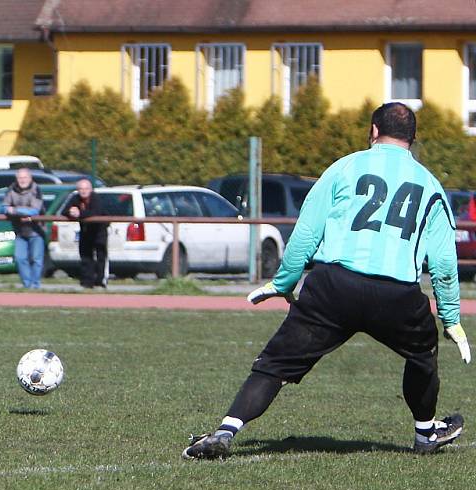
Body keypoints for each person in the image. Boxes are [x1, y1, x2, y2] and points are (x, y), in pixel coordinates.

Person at [182, 102, 470, 460]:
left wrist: (285, 281)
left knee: (275, 365)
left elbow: (306, 232)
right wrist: (451, 317)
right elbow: (442, 262)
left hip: (335, 285)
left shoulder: (344, 166)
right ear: (412, 138)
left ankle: (226, 431)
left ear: (374, 130)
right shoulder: (431, 184)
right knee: (423, 355)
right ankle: (426, 433)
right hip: (397, 294)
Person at [2, 167, 44, 288]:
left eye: (25, 177)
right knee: (20, 258)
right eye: (20, 177)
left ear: (30, 178)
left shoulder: (36, 189)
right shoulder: (11, 189)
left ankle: (35, 285)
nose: (22, 180)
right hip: (20, 231)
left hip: (36, 230)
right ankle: (27, 285)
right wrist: (23, 212)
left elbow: (35, 210)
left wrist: (15, 210)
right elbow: (3, 207)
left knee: (36, 259)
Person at [64, 178, 108, 288]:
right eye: (81, 189)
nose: (83, 191)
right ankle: (87, 282)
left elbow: (96, 212)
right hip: (85, 231)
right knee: (85, 257)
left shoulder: (96, 198)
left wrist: (80, 213)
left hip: (99, 230)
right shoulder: (75, 198)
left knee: (100, 257)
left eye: (86, 188)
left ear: (91, 189)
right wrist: (71, 212)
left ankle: (100, 281)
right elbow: (65, 211)